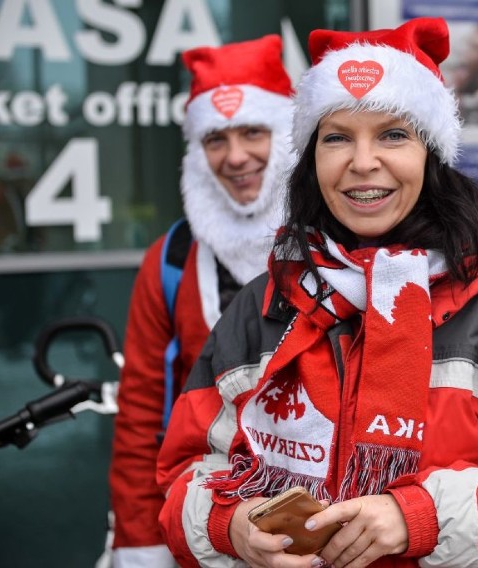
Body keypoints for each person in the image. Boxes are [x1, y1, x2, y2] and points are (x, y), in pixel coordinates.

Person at [156, 17, 478, 568]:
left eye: (393, 134)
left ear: (431, 154)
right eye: (337, 137)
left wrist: (419, 517)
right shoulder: (263, 304)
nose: (362, 162)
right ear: (311, 160)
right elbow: (184, 475)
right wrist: (232, 527)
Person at [109, 35, 296, 567]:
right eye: (216, 139)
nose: (236, 157)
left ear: (285, 135)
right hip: (205, 524)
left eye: (253, 132)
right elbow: (143, 414)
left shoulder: (342, 241)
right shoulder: (170, 261)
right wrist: (141, 541)